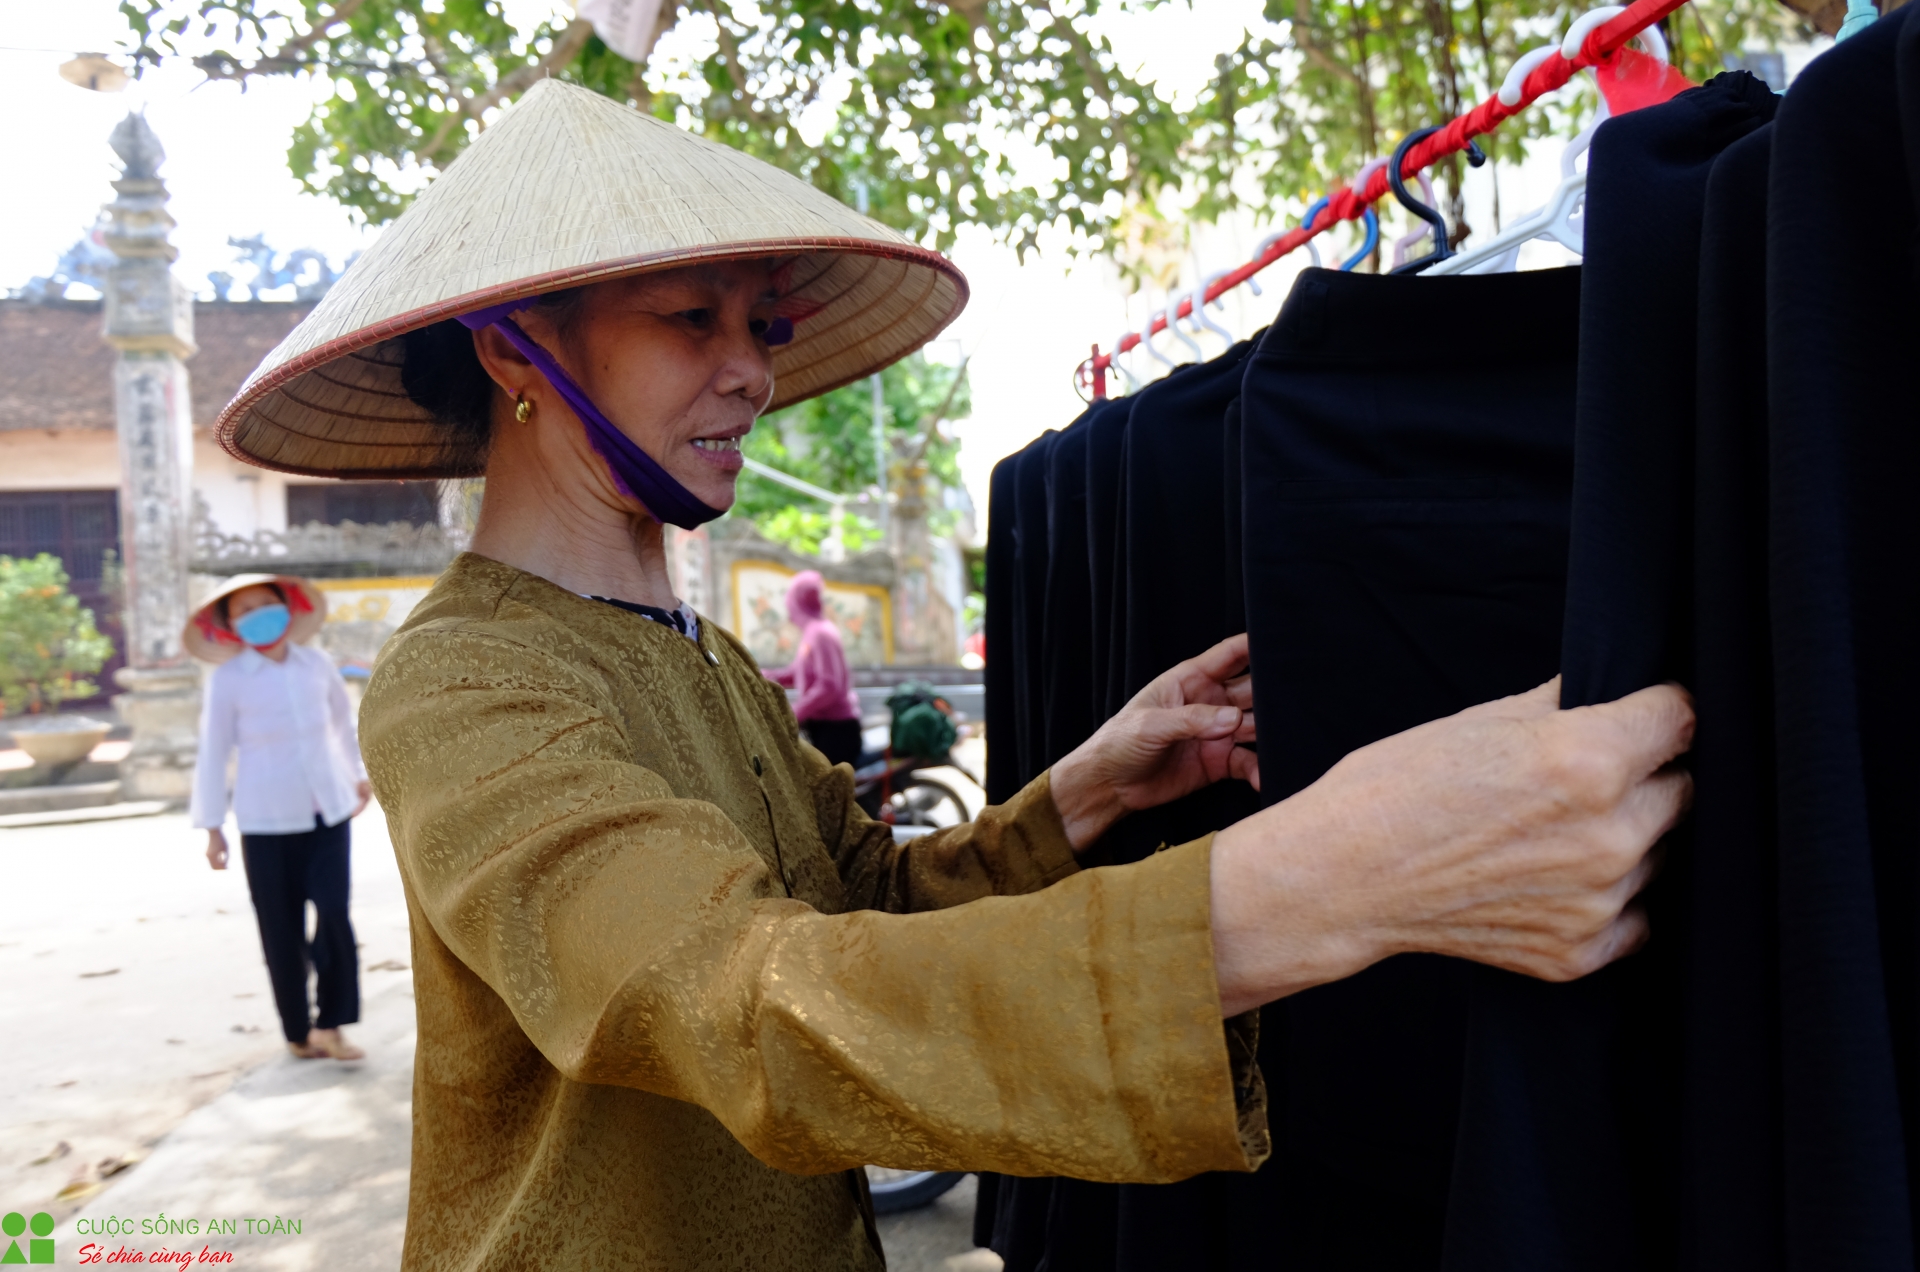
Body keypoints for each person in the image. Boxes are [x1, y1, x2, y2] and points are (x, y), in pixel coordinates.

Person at [212, 80, 1692, 1271]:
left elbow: (864, 910)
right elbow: (744, 1004)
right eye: (692, 321)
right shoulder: (463, 683)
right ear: (518, 351)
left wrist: (1078, 791)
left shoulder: (704, 657)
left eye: (762, 326)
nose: (752, 371)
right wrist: (1338, 881)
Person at [186, 574, 372, 1062]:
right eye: (243, 609)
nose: (257, 614)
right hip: (265, 820)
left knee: (334, 914)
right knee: (280, 929)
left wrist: (358, 774)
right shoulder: (228, 681)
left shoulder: (317, 664)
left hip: (328, 811)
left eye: (265, 603)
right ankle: (298, 1031)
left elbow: (341, 723)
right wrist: (211, 828)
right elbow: (213, 752)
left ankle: (333, 1024)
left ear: (288, 607)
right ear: (229, 626)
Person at [761, 570, 864, 768]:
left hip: (836, 730)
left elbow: (829, 685)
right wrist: (765, 675)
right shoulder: (813, 632)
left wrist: (796, 712)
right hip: (823, 726)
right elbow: (799, 672)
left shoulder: (820, 634)